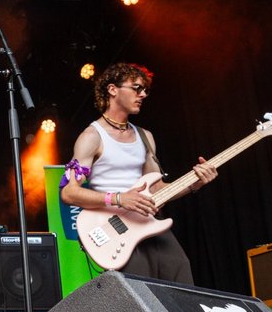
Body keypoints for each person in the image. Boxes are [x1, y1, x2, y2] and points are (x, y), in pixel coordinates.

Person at [59, 62, 217, 284]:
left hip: (149, 220)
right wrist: (120, 198)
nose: (142, 94)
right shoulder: (92, 137)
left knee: (181, 275)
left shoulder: (145, 136)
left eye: (145, 90)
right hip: (115, 227)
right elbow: (69, 193)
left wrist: (194, 184)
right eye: (136, 88)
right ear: (113, 89)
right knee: (140, 290)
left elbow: (158, 188)